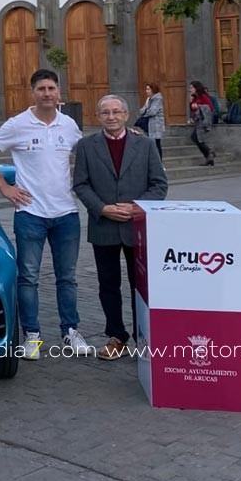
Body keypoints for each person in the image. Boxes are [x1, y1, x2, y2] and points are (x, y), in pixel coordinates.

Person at [0, 69, 96, 359]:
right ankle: (32, 334)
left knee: (67, 277)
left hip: (66, 214)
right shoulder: (18, 124)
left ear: (59, 92)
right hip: (30, 213)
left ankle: (70, 331)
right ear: (33, 92)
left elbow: (88, 151)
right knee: (28, 277)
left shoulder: (68, 125)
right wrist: (4, 186)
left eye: (51, 88)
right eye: (41, 88)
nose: (47, 93)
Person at [72, 94, 168, 361]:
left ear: (126, 115)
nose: (111, 117)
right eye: (106, 113)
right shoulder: (87, 146)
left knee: (141, 284)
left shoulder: (145, 145)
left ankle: (144, 336)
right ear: (99, 116)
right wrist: (102, 208)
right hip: (104, 225)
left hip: (136, 227)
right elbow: (81, 184)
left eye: (116, 112)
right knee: (108, 284)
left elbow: (159, 184)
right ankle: (117, 336)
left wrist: (135, 207)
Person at [189, 80, 215, 166]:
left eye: (192, 87)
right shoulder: (195, 97)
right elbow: (192, 109)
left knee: (196, 138)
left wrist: (199, 106)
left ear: (196, 88)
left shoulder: (203, 96)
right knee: (196, 138)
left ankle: (209, 152)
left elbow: (210, 107)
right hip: (198, 121)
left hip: (204, 121)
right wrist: (191, 102)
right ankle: (209, 157)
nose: (190, 89)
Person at [137, 82, 166, 158]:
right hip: (149, 126)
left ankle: (159, 163)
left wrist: (146, 111)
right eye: (146, 89)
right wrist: (146, 108)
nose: (146, 91)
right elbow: (141, 111)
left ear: (153, 90)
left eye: (148, 89)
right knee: (151, 145)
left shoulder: (157, 99)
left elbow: (152, 112)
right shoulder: (149, 99)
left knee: (156, 144)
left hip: (155, 126)